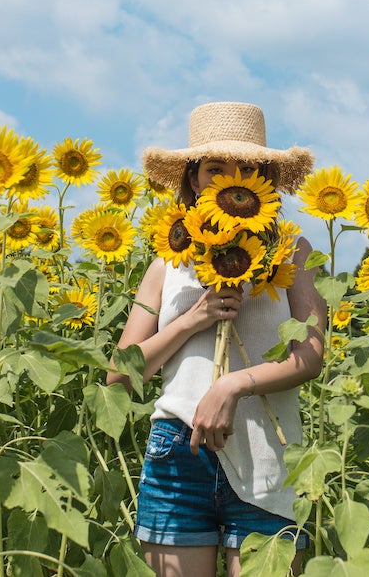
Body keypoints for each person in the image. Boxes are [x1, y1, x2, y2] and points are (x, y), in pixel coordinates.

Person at [107, 102, 327, 577]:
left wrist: (231, 386)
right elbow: (120, 374)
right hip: (178, 455)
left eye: (248, 168)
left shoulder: (293, 251)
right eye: (214, 169)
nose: (232, 178)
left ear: (265, 177)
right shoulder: (167, 262)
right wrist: (192, 319)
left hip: (267, 452)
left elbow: (310, 356)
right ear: (191, 179)